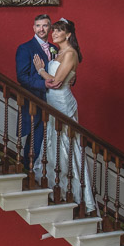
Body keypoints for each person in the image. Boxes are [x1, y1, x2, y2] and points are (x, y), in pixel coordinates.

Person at [31, 18, 96, 214]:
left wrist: (41, 70)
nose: (54, 33)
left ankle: (75, 194)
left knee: (66, 144)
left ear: (68, 34)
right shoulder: (59, 52)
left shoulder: (70, 53)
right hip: (52, 102)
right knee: (53, 139)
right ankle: (54, 185)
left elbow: (57, 82)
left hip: (62, 102)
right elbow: (68, 77)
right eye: (54, 30)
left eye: (59, 31)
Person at [15, 14, 54, 169]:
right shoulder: (25, 48)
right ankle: (28, 171)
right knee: (35, 139)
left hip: (54, 101)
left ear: (50, 28)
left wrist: (71, 79)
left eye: (45, 25)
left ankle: (45, 173)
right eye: (38, 25)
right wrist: (43, 83)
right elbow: (22, 77)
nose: (41, 29)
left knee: (51, 139)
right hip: (35, 100)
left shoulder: (55, 48)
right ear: (33, 28)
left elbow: (61, 72)